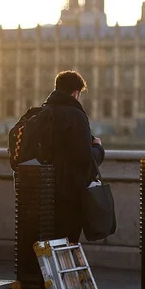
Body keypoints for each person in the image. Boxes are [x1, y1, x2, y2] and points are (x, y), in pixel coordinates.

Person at [45, 70, 105, 243]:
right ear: (75, 93)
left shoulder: (44, 111)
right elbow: (85, 159)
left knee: (50, 242)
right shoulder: (75, 115)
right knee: (68, 241)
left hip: (45, 191)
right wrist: (98, 149)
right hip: (69, 194)